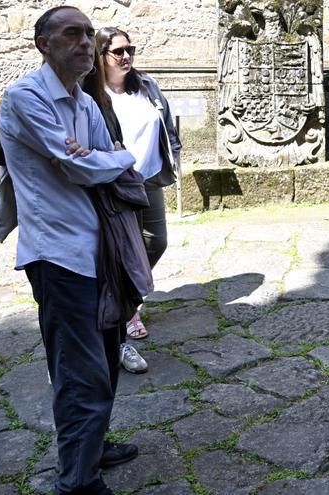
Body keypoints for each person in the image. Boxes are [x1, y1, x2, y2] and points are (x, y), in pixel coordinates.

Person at [0, 6, 140, 493]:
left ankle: (93, 448)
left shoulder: (83, 102)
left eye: (88, 35)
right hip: (58, 257)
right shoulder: (25, 97)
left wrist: (110, 157)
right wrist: (103, 159)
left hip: (100, 251)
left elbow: (120, 161)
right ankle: (77, 481)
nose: (85, 43)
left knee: (103, 363)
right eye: (71, 34)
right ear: (44, 44)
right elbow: (78, 167)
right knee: (81, 375)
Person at [82, 27, 182, 372]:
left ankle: (129, 300)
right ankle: (121, 322)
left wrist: (174, 159)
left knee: (156, 242)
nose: (126, 57)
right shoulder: (91, 95)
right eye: (118, 52)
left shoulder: (147, 86)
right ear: (100, 56)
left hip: (148, 178)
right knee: (121, 254)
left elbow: (167, 125)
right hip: (115, 185)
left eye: (131, 50)